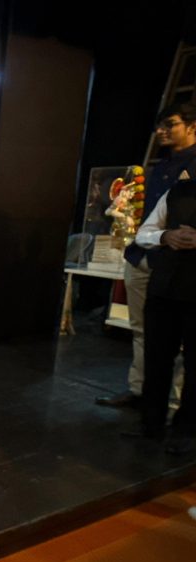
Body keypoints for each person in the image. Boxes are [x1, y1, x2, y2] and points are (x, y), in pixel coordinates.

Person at [99, 102, 196, 410]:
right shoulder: (161, 166)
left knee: (178, 337)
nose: (161, 131)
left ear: (192, 126)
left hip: (178, 265)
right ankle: (142, 390)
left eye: (170, 124)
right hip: (143, 254)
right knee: (142, 330)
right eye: (159, 126)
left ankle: (174, 401)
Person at [128, 178, 196, 454]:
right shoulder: (177, 191)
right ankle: (151, 425)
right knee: (156, 359)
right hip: (164, 289)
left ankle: (187, 431)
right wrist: (165, 236)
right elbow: (144, 233)